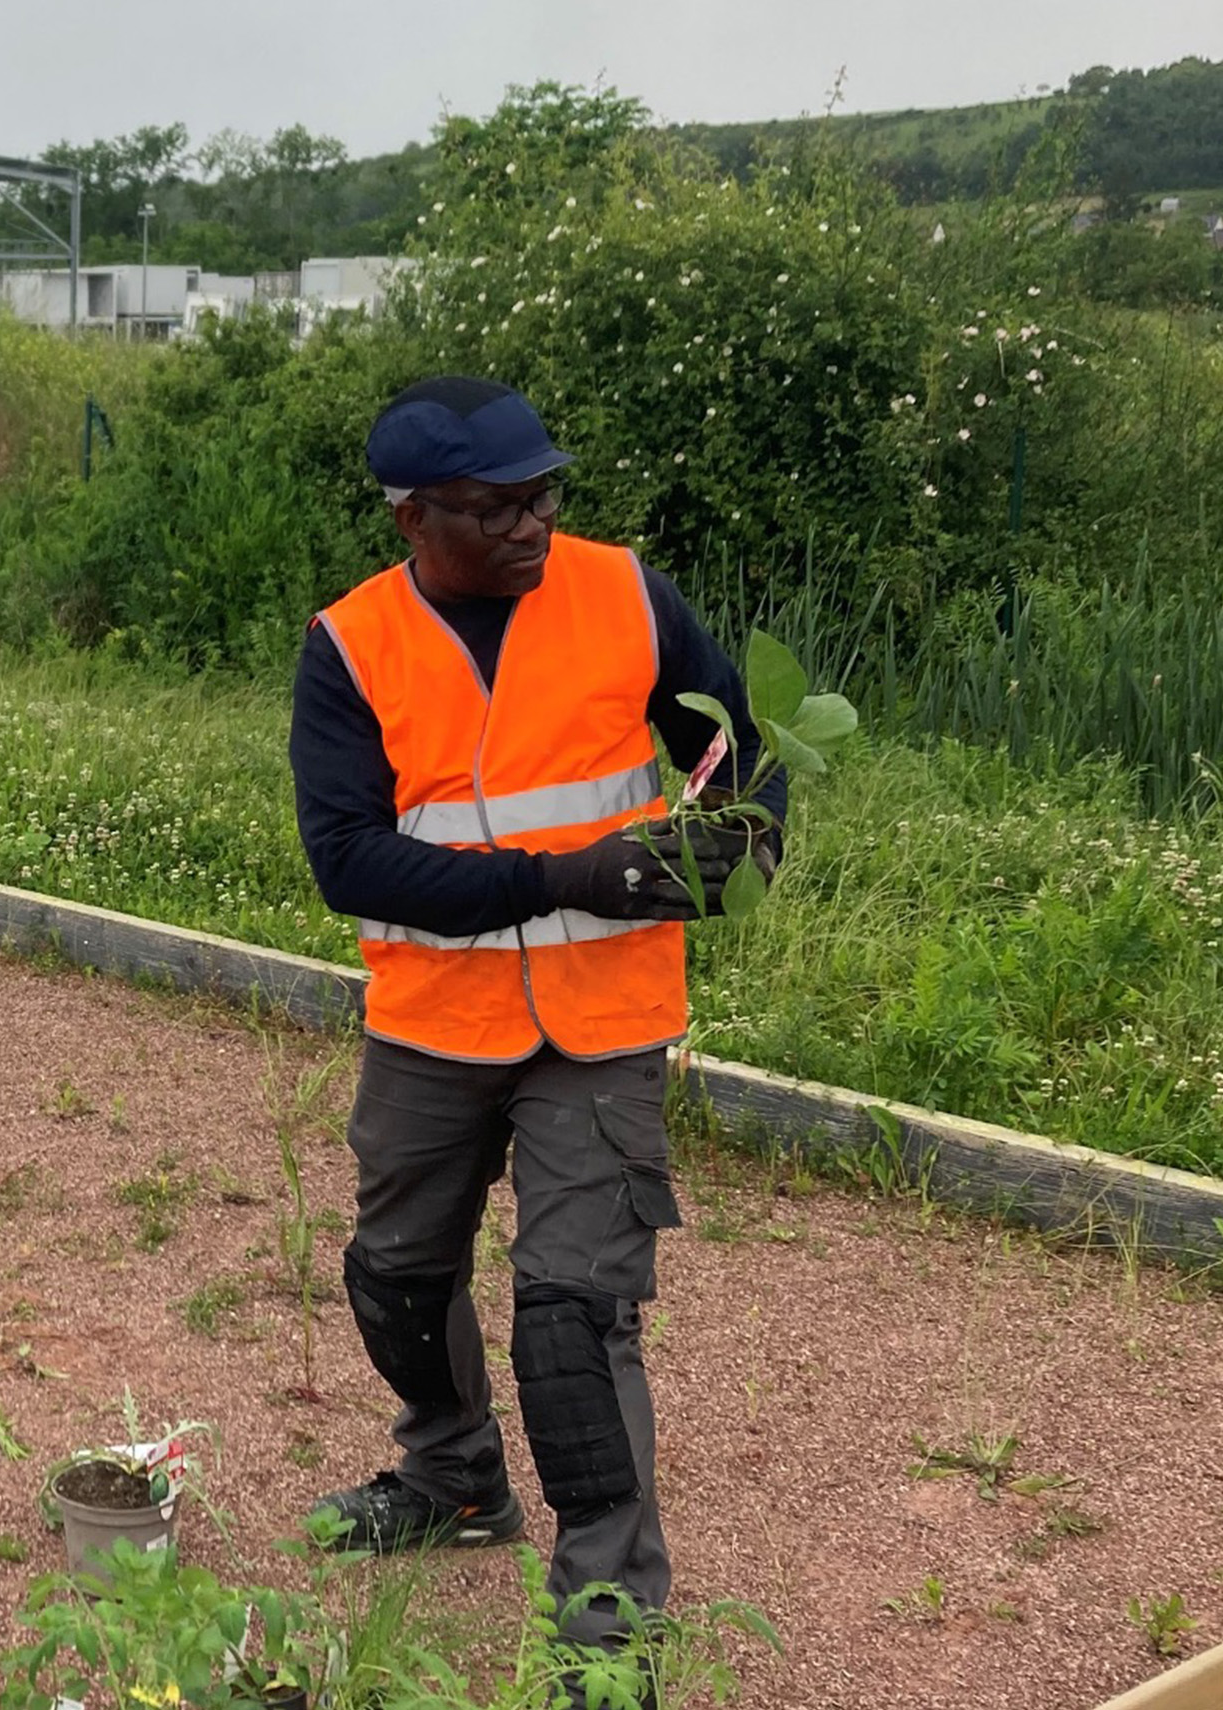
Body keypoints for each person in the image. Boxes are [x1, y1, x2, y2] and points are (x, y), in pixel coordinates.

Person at [288, 376, 786, 1677]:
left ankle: (605, 1645)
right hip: (432, 1025)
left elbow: (740, 752)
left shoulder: (627, 595)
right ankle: (452, 1478)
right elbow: (350, 859)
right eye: (498, 505)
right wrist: (558, 876)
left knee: (573, 1316)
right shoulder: (351, 645)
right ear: (415, 514)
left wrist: (740, 842)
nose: (533, 522)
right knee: (394, 1279)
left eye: (545, 493)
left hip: (603, 1021)